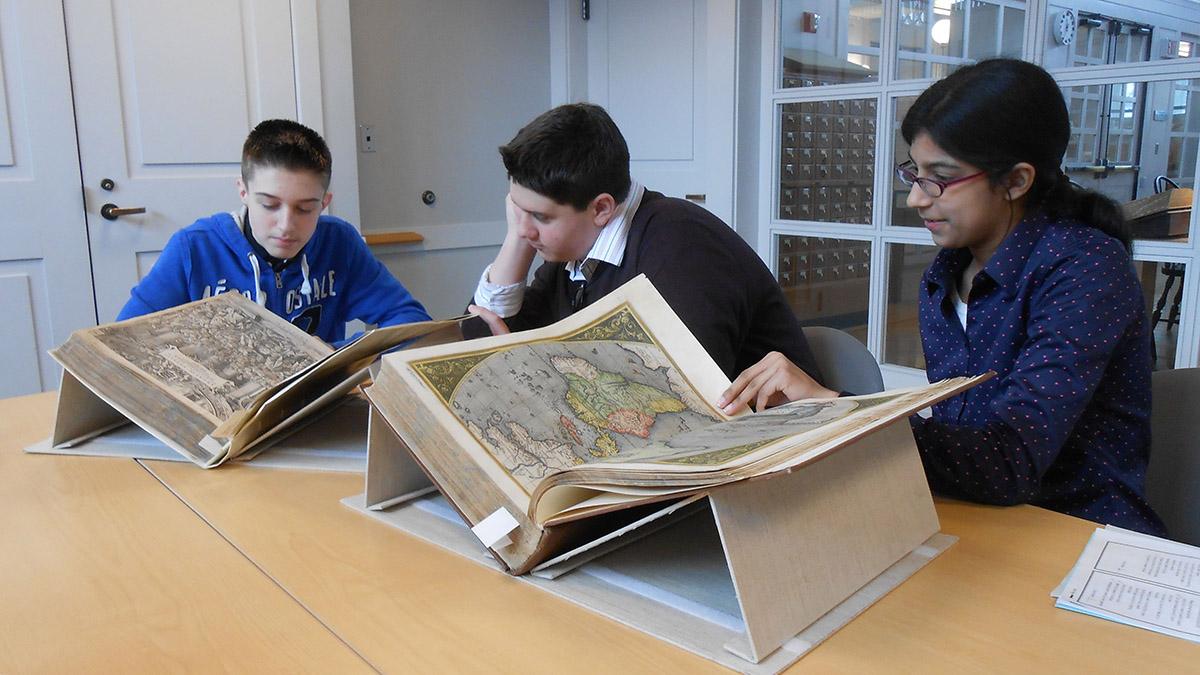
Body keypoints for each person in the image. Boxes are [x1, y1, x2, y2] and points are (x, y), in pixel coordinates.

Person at [719, 59, 1165, 535]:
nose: (916, 198)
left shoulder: (1085, 267)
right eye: (915, 172)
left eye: (941, 178)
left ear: (1016, 180)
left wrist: (834, 407)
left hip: (1075, 533)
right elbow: (969, 448)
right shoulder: (945, 275)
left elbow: (1010, 464)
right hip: (972, 517)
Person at [463, 103, 827, 386]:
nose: (524, 229)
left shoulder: (682, 247)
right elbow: (487, 331)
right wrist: (520, 235)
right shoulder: (573, 253)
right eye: (515, 208)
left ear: (601, 209)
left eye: (540, 216)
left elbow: (681, 392)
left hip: (762, 455)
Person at [117, 119, 430, 345]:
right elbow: (124, 341)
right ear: (243, 192)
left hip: (314, 408)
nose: (286, 225)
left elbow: (410, 320)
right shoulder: (194, 249)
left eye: (306, 209)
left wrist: (337, 357)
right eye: (269, 205)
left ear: (325, 203)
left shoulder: (340, 243)